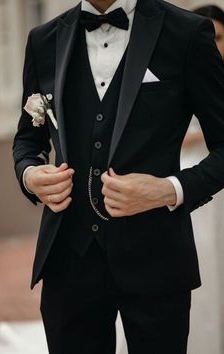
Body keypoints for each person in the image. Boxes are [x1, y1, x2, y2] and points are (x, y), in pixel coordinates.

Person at [12, 0, 224, 353]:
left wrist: (169, 190)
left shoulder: (187, 33)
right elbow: (27, 139)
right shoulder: (43, 39)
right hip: (69, 261)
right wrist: (30, 174)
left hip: (157, 260)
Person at [181, 5, 224, 354]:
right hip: (192, 175)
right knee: (203, 260)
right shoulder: (181, 70)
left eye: (220, 37)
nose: (214, 43)